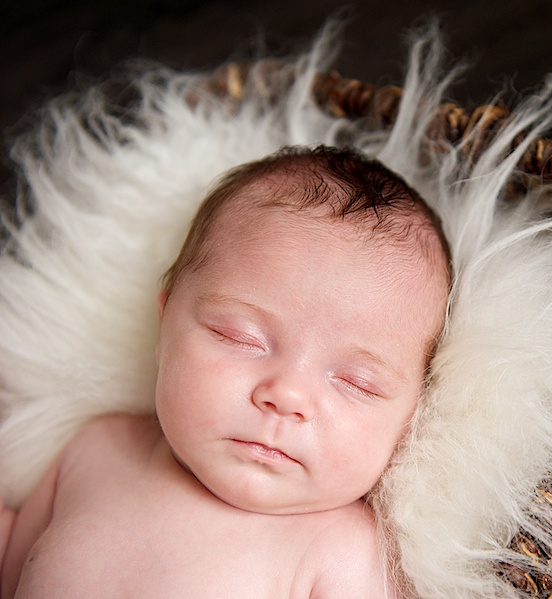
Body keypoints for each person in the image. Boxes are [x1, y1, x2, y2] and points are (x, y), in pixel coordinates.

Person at [0, 145, 451, 598]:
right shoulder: (96, 449)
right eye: (240, 337)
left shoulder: (344, 553)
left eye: (357, 383)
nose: (287, 395)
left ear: (414, 409)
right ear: (165, 326)